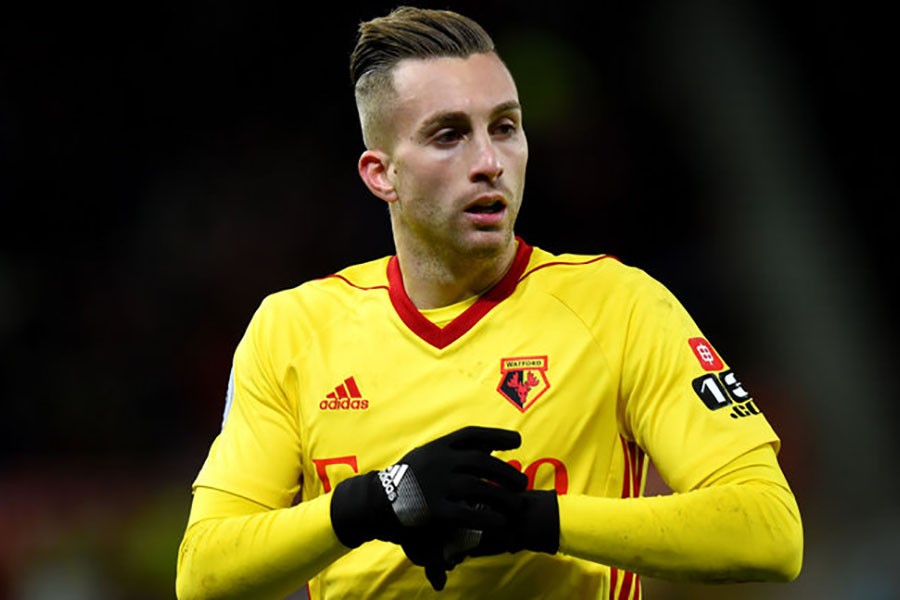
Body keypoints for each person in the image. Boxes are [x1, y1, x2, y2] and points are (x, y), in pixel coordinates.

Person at [175, 6, 803, 599]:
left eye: (505, 128)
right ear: (381, 174)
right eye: (449, 135)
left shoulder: (619, 306)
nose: (489, 162)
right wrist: (373, 503)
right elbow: (203, 573)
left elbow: (770, 531)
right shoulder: (292, 329)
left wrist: (533, 518)